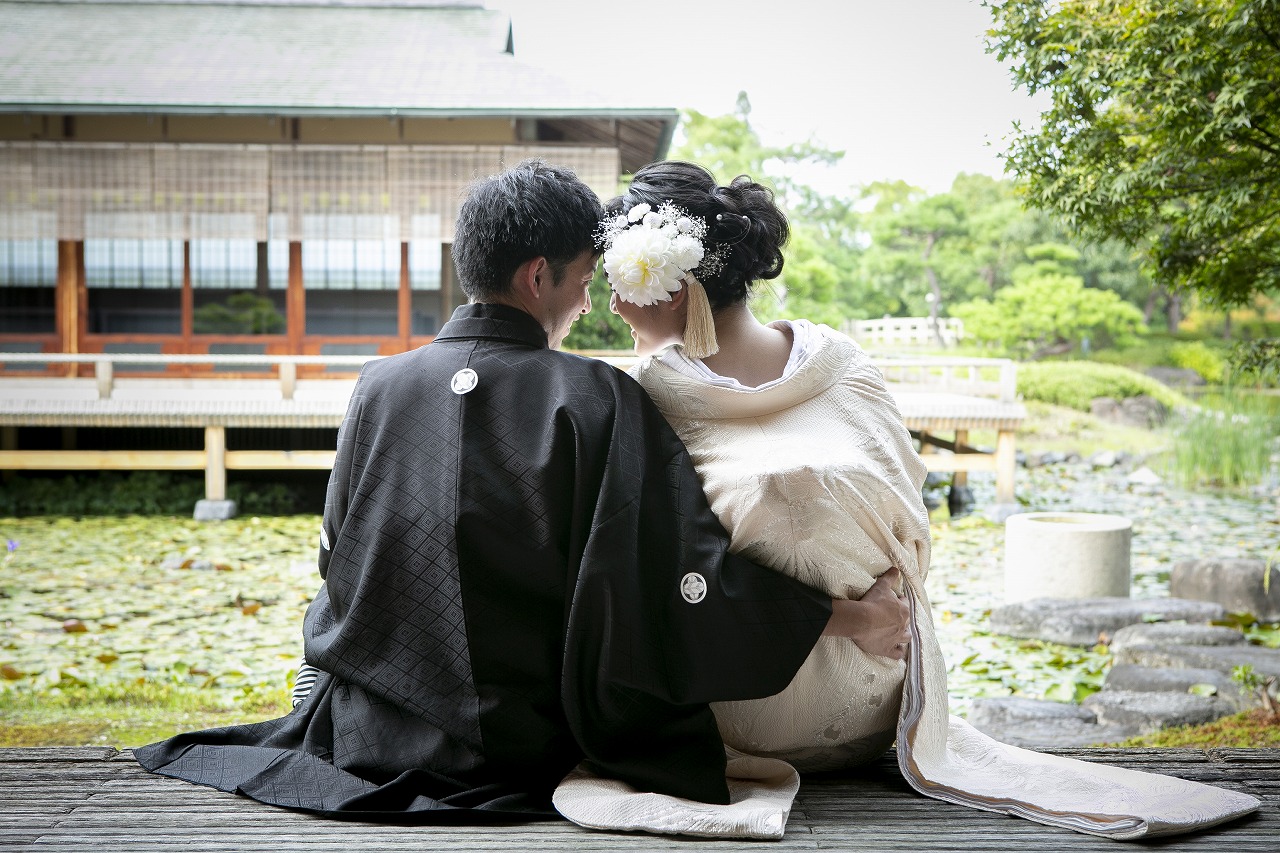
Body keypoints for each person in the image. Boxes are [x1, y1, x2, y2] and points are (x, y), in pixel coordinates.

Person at [133, 159, 908, 825]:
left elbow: (337, 558)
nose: (589, 303)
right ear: (539, 277)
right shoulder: (595, 396)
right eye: (584, 280)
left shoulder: (378, 384)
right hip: (523, 745)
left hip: (368, 731)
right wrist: (842, 617)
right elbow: (674, 583)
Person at [558, 159, 1260, 840]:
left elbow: (664, 586)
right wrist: (858, 615)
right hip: (866, 685)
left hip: (772, 720)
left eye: (619, 282)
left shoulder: (800, 375)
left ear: (670, 287)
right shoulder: (776, 376)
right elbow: (908, 529)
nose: (612, 306)